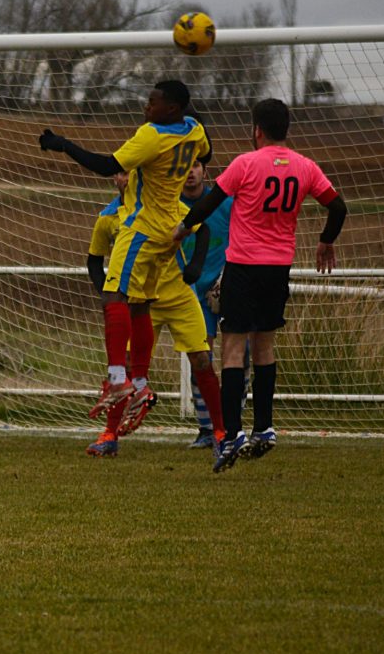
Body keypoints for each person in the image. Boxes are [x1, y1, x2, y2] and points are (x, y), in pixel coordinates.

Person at [174, 98, 347, 472]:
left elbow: (208, 204)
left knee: (233, 348)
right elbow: (338, 207)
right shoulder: (304, 166)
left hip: (243, 267)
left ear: (256, 130)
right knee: (264, 345)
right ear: (286, 128)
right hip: (278, 268)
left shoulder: (245, 164)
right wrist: (325, 241)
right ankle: (264, 427)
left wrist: (183, 228)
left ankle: (232, 433)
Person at [40, 80, 210, 429]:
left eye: (153, 102)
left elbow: (106, 165)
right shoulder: (194, 129)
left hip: (143, 228)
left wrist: (64, 145)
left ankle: (118, 379)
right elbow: (205, 153)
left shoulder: (151, 135)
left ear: (171, 108)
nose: (146, 106)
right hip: (168, 228)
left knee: (114, 296)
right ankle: (142, 385)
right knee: (139, 306)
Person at [84, 173, 225, 457]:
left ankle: (221, 434)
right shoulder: (108, 218)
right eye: (122, 172)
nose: (126, 178)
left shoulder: (164, 205)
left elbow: (201, 228)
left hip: (178, 295)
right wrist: (111, 295)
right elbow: (94, 262)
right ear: (115, 178)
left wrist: (195, 266)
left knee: (202, 360)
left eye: (132, 172)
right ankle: (109, 435)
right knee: (123, 364)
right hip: (139, 302)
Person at [179, 158, 243, 449]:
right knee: (201, 358)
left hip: (227, 288)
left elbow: (243, 238)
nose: (190, 172)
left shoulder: (225, 204)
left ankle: (233, 424)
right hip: (192, 294)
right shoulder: (169, 206)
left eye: (195, 166)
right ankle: (207, 428)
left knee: (239, 356)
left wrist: (228, 276)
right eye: (184, 167)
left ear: (205, 171)